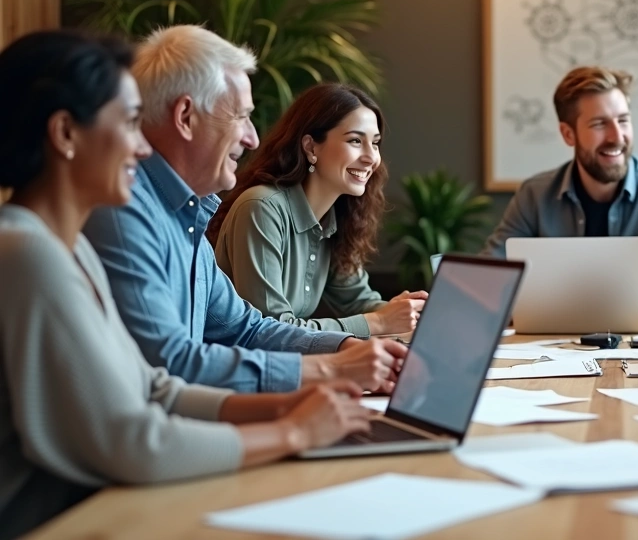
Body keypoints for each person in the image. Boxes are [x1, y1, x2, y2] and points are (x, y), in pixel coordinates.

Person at [0, 31, 372, 540]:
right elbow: (133, 440)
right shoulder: (28, 253)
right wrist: (293, 430)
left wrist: (290, 402)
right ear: (65, 133)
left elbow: (154, 387)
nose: (141, 146)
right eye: (129, 123)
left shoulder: (70, 247)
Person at [82, 25, 405, 394]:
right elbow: (170, 365)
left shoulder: (188, 218)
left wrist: (346, 349)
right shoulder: (124, 211)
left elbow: (247, 329)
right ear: (186, 116)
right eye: (240, 116)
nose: (252, 138)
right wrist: (331, 370)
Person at [481, 66, 638, 321]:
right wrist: (602, 307)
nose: (616, 137)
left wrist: (581, 308)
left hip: (636, 344)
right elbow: (488, 279)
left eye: (623, 120)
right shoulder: (534, 195)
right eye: (599, 124)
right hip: (551, 344)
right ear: (568, 134)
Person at [208, 84, 426, 337]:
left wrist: (402, 312)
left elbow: (357, 300)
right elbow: (270, 329)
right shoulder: (262, 208)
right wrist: (379, 322)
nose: (371, 158)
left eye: (375, 143)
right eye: (355, 141)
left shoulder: (336, 217)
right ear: (311, 147)